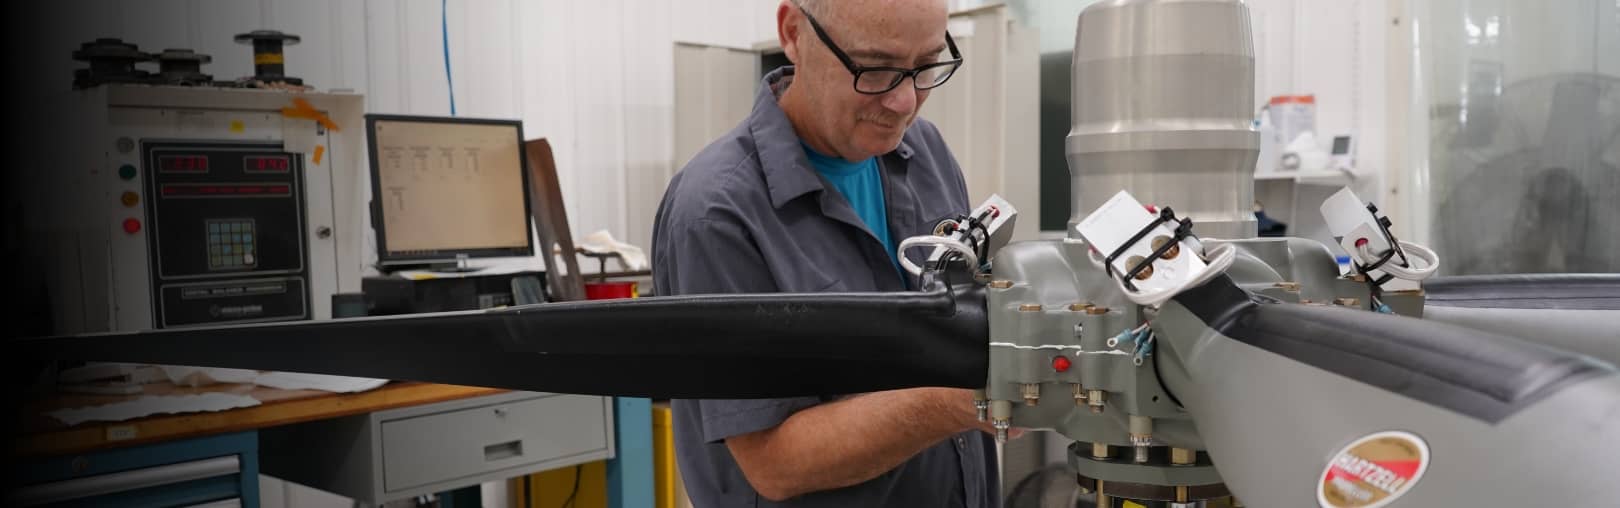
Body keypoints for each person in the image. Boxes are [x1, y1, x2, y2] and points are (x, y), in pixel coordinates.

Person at [650, 0, 1005, 506]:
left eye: (927, 66)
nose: (905, 101)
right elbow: (774, 464)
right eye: (876, 69)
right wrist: (972, 401)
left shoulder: (924, 151)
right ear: (793, 32)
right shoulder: (715, 211)